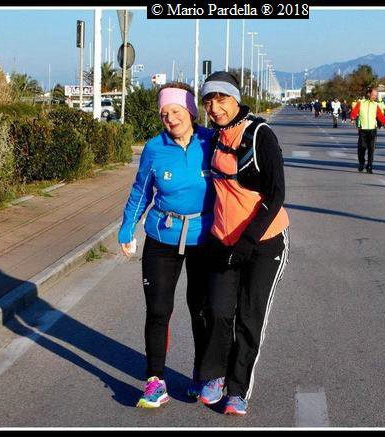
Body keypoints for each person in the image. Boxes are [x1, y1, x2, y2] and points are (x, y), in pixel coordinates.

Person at [196, 71, 290, 416]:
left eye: (221, 99)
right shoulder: (214, 137)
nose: (214, 107)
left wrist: (247, 241)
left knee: (250, 319)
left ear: (236, 99)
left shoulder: (260, 135)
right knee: (219, 311)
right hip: (224, 242)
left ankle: (238, 390)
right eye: (208, 100)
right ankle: (215, 375)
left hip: (264, 243)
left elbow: (277, 194)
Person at [118, 82, 215, 408]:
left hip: (203, 236)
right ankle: (155, 380)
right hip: (163, 236)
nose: (170, 119)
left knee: (201, 309)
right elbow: (141, 191)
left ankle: (202, 374)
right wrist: (127, 228)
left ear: (190, 111)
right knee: (159, 309)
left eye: (176, 111)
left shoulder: (211, 142)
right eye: (164, 114)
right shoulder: (154, 148)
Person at [350, 87, 385, 173]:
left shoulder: (375, 105)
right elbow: (354, 111)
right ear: (368, 94)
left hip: (372, 130)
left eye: (376, 95)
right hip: (363, 129)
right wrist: (352, 117)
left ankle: (369, 166)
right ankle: (361, 163)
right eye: (373, 95)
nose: (375, 97)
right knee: (362, 148)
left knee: (371, 149)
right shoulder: (361, 103)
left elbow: (381, 116)